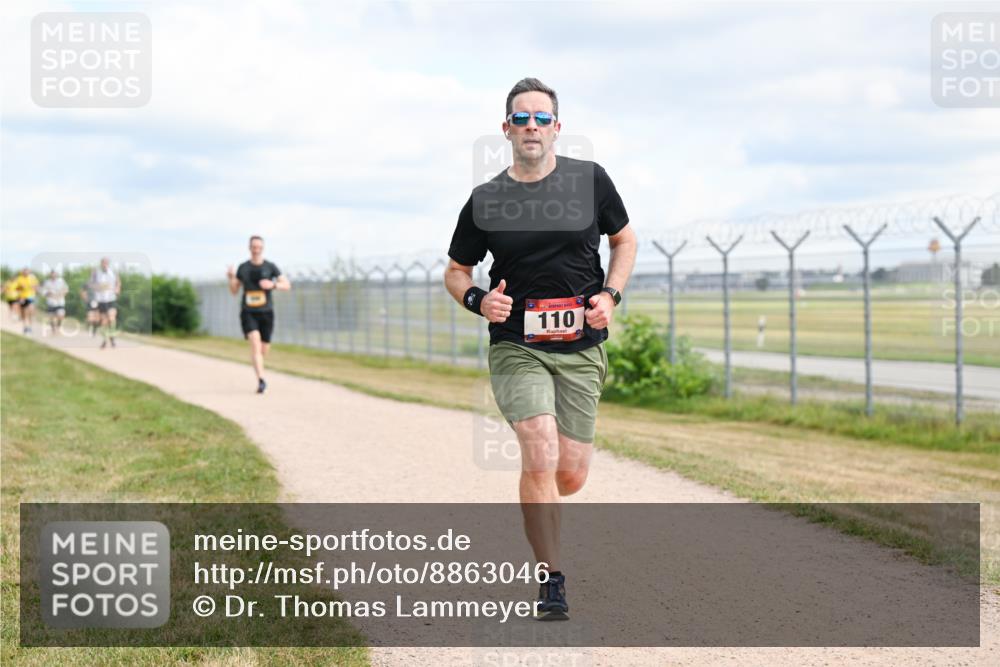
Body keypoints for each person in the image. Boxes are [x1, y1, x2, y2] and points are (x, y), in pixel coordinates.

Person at [444, 78, 637, 620]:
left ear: (557, 128)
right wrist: (479, 300)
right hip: (516, 344)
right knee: (539, 449)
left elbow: (624, 240)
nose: (532, 126)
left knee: (569, 474)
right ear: (506, 129)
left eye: (542, 118)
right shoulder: (486, 200)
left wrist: (611, 295)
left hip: (581, 344)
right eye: (522, 118)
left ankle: (543, 500)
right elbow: (457, 271)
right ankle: (551, 579)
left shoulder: (590, 181)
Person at [227, 235, 290, 393]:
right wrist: (231, 278)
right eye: (254, 247)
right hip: (248, 312)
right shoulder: (243, 268)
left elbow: (287, 285)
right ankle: (261, 381)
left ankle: (258, 365)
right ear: (250, 248)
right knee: (255, 342)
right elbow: (234, 291)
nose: (256, 250)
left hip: (266, 312)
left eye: (259, 247)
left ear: (262, 248)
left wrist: (273, 285)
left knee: (263, 349)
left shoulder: (270, 267)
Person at [88, 257, 121, 348]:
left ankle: (112, 336)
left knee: (111, 317)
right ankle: (105, 340)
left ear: (108, 264)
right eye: (103, 263)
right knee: (104, 322)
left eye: (106, 263)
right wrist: (98, 287)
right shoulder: (96, 273)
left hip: (111, 299)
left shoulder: (113, 272)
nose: (104, 264)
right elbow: (90, 284)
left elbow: (118, 282)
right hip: (100, 300)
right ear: (101, 264)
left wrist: (117, 289)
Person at [12, 268, 40, 334]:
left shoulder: (32, 278)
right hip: (22, 297)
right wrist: (20, 288)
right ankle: (25, 327)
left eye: (27, 271)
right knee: (24, 313)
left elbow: (37, 287)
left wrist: (35, 288)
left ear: (29, 272)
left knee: (30, 310)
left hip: (30, 296)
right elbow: (15, 288)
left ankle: (30, 327)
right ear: (22, 272)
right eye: (24, 271)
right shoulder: (19, 278)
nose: (26, 273)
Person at [40, 270, 69, 335]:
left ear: (56, 275)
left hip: (60, 301)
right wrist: (48, 293)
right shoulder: (47, 282)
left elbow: (66, 289)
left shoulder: (61, 281)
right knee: (51, 317)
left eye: (54, 274)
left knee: (61, 315)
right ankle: (53, 329)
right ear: (50, 275)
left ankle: (58, 327)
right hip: (51, 302)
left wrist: (62, 294)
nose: (53, 276)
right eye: (52, 274)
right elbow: (43, 291)